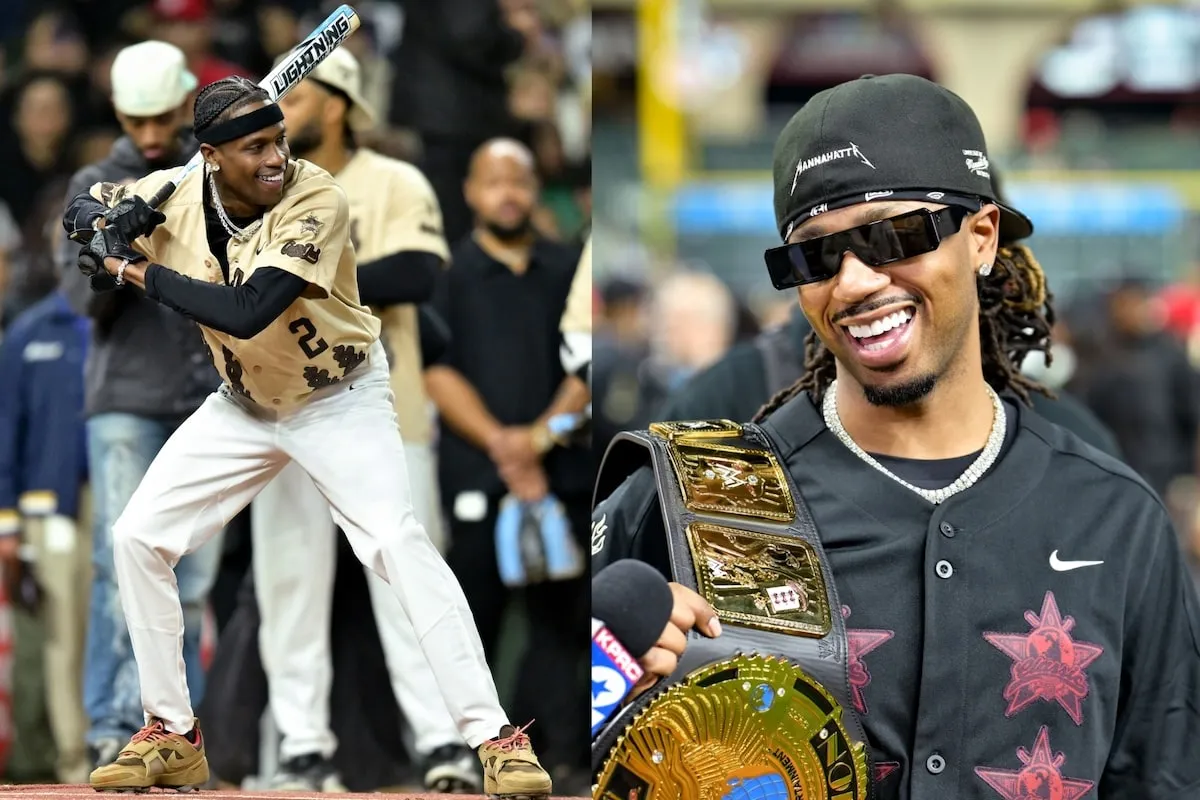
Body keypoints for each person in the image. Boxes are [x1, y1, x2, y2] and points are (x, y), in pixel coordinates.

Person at [591, 74, 1200, 799]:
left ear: (981, 237)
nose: (852, 283)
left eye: (891, 235)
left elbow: (1165, 774)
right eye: (815, 255)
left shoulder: (1115, 518)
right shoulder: (690, 499)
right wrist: (606, 698)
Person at [61, 76, 553, 796]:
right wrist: (108, 216)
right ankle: (172, 730)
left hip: (339, 396)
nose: (275, 158)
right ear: (212, 156)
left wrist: (130, 264)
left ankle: (495, 738)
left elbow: (247, 309)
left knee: (395, 542)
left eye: (279, 140)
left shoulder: (316, 194)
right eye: (254, 146)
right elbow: (80, 209)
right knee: (138, 537)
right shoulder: (174, 184)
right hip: (245, 404)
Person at [247, 48, 477, 791]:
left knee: (408, 584)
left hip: (385, 414)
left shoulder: (392, 179)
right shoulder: (256, 189)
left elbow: (416, 272)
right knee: (289, 588)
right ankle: (302, 746)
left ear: (338, 102)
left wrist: (299, 281)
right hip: (279, 413)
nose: (280, 111)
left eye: (298, 95)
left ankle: (443, 744)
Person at [55, 40, 226, 772]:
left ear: (186, 103)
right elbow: (74, 300)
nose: (153, 134)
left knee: (193, 577)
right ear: (119, 111)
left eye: (164, 117)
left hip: (210, 397)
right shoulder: (95, 181)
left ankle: (176, 728)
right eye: (138, 118)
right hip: (126, 398)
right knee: (116, 559)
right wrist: (113, 247)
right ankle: (114, 721)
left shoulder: (212, 175)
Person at [426, 138, 591, 787]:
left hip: (563, 472)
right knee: (471, 619)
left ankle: (555, 758)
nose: (508, 193)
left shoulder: (570, 267)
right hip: (475, 474)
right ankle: (465, 758)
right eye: (493, 180)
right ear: (470, 191)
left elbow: (586, 368)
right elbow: (435, 372)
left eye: (519, 180)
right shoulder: (446, 275)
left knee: (562, 624)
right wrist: (505, 444)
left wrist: (541, 442)